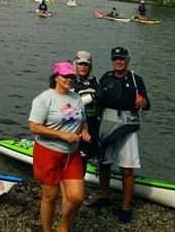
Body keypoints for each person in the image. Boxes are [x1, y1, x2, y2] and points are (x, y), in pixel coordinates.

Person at [89, 47, 150, 224]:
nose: (118, 61)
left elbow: (147, 104)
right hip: (106, 122)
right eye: (115, 58)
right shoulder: (106, 78)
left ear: (128, 60)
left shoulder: (135, 79)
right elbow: (97, 101)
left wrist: (142, 102)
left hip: (127, 125)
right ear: (112, 60)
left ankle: (126, 207)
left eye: (122, 58)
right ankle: (103, 196)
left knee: (128, 167)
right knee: (104, 162)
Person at [29, 62, 89, 232]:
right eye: (66, 76)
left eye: (72, 77)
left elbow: (82, 120)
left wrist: (85, 131)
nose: (69, 80)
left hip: (71, 154)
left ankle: (63, 226)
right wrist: (62, 135)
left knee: (76, 197)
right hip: (48, 152)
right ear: (56, 77)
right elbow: (34, 127)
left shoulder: (76, 98)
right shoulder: (44, 99)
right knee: (50, 196)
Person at [73, 51, 101, 167]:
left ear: (90, 66)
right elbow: (71, 105)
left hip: (93, 127)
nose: (83, 67)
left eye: (86, 65)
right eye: (80, 64)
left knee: (88, 158)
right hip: (76, 127)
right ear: (76, 65)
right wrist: (92, 97)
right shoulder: (70, 81)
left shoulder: (95, 83)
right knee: (77, 160)